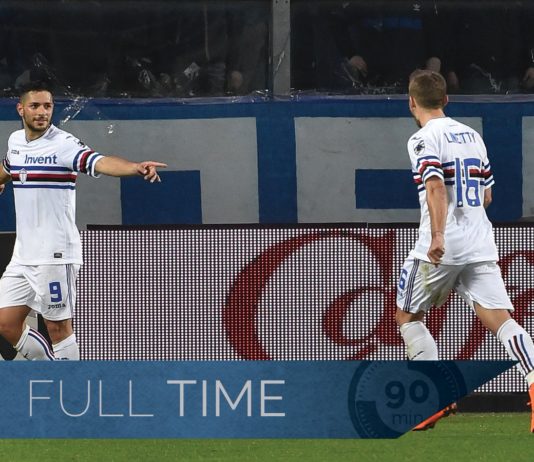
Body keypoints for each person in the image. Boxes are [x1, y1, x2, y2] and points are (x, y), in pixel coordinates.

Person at [395, 70, 534, 432]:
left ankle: (436, 398)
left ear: (412, 102)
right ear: (446, 100)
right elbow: (487, 195)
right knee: (502, 321)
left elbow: (435, 186)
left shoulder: (422, 138)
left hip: (442, 245)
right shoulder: (473, 136)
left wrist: (439, 235)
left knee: (407, 316)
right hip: (480, 242)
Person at [0, 81, 166, 360]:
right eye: (35, 106)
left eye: (47, 106)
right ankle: (48, 373)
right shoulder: (16, 141)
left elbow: (100, 161)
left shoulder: (63, 144)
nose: (42, 112)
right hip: (23, 255)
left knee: (58, 328)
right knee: (6, 323)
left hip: (55, 254)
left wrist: (134, 168)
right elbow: (9, 167)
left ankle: (69, 383)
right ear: (21, 109)